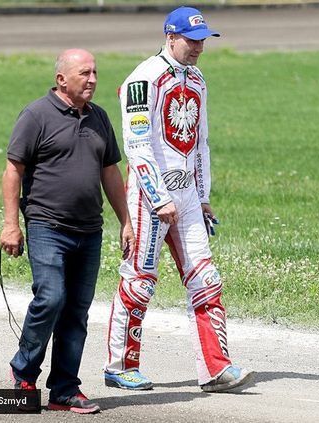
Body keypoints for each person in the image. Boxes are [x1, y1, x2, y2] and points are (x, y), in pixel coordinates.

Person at [104, 7, 254, 393]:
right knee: (140, 281)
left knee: (206, 279)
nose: (199, 47)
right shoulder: (143, 79)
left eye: (203, 40)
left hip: (187, 196)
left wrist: (202, 197)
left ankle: (216, 369)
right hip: (150, 197)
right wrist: (157, 198)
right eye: (192, 40)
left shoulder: (199, 79)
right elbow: (137, 147)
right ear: (170, 37)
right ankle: (120, 365)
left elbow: (199, 143)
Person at [0, 48, 134, 414]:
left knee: (77, 311)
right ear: (62, 79)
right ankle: (24, 372)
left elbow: (110, 172)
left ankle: (63, 388)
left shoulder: (99, 118)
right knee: (51, 298)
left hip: (89, 230)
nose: (92, 79)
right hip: (46, 224)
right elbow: (13, 170)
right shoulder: (36, 115)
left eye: (95, 73)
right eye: (84, 73)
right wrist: (11, 224)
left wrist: (125, 220)